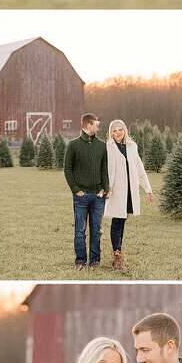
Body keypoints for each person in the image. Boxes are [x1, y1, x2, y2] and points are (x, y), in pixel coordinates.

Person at [103, 119, 154, 273]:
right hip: (115, 190)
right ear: (111, 133)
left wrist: (148, 189)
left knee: (122, 220)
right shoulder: (108, 148)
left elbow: (139, 168)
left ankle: (117, 253)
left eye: (120, 129)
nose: (118, 133)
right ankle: (117, 256)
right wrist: (105, 188)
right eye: (114, 130)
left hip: (129, 191)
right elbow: (104, 169)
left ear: (124, 130)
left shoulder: (132, 147)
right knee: (117, 220)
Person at [63, 113, 109, 271]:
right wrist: (76, 190)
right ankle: (80, 261)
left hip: (98, 197)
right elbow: (68, 169)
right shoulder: (73, 145)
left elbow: (104, 170)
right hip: (81, 197)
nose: (98, 126)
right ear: (88, 124)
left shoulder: (102, 146)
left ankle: (95, 261)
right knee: (80, 231)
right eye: (96, 124)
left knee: (96, 230)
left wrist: (104, 188)